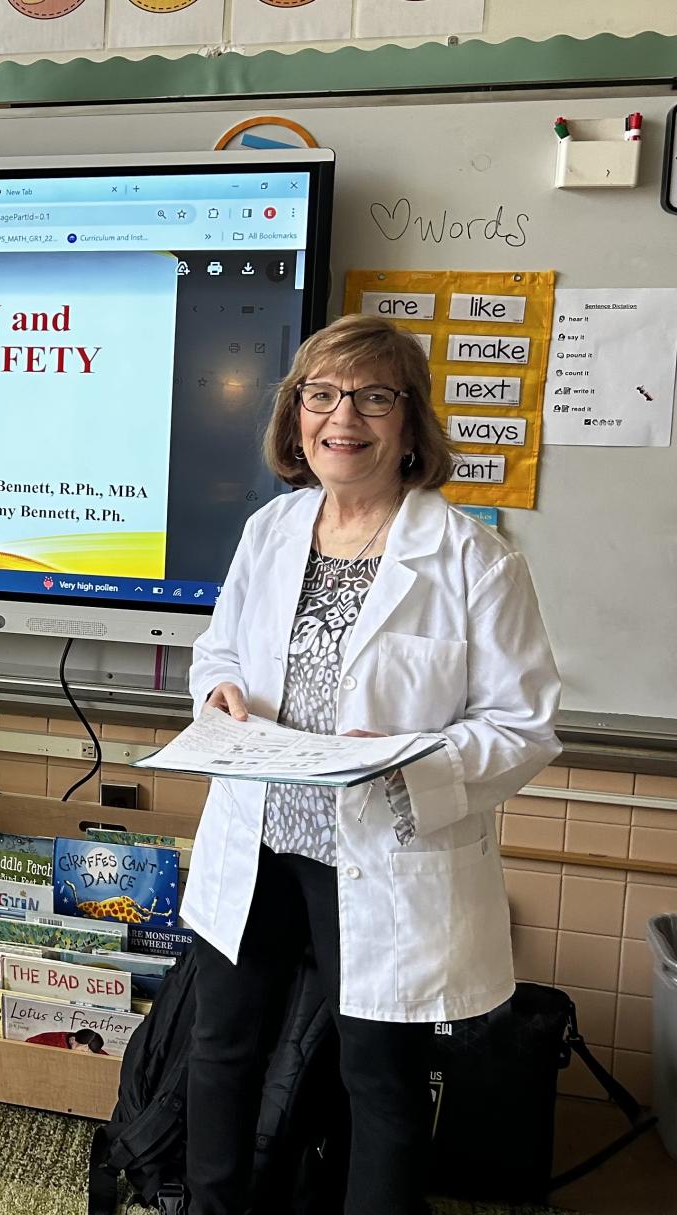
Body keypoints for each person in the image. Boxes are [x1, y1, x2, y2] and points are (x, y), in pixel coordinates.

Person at [182, 314, 561, 1215]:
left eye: (372, 396)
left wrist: (408, 761)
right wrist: (222, 692)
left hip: (382, 852)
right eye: (321, 394)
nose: (341, 416)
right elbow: (218, 650)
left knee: (378, 1076)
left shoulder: (474, 560)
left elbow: (526, 724)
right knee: (220, 1046)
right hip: (262, 833)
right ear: (295, 415)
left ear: (410, 423)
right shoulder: (270, 530)